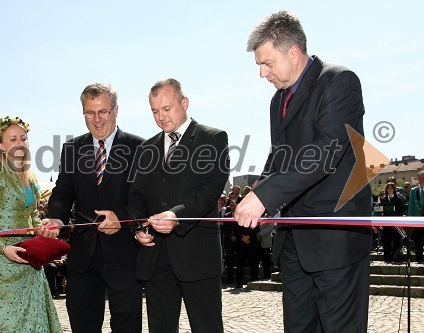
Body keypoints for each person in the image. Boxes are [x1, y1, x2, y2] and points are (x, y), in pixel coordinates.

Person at [235, 11, 372, 332]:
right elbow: (280, 155)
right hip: (294, 242)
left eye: (266, 63)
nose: (261, 73)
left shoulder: (339, 81)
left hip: (335, 240)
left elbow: (326, 151)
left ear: (293, 53)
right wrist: (259, 189)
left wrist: (264, 196)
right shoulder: (277, 100)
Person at [128, 78, 230, 332]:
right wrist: (139, 226)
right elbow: (136, 196)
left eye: (166, 108)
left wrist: (176, 215)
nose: (160, 117)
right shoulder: (146, 148)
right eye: (154, 111)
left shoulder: (213, 138)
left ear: (184, 103)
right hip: (156, 257)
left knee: (207, 327)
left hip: (198, 255)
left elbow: (210, 190)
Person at [44, 83, 144, 332]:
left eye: (103, 112)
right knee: (82, 323)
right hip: (82, 256)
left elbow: (143, 197)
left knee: (126, 325)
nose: (97, 119)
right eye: (90, 112)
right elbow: (63, 192)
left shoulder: (140, 147)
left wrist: (120, 217)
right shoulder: (71, 149)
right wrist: (56, 218)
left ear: (116, 110)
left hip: (124, 254)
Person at [0, 116, 62, 332]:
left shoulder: (31, 178)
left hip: (27, 255)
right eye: (13, 139)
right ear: (1, 146)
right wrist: (2, 247)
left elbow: (33, 215)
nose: (20, 143)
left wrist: (43, 232)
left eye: (23, 138)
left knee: (30, 317)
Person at [380, 183, 404, 262]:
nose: (390, 190)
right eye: (388, 188)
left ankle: (396, 257)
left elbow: (400, 212)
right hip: (386, 224)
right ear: (386, 190)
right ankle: (387, 258)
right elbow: (380, 211)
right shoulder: (383, 200)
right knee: (386, 241)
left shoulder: (398, 200)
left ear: (394, 189)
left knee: (396, 241)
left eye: (391, 188)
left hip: (395, 224)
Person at [409, 170, 424, 262]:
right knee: (418, 240)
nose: (421, 180)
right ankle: (419, 258)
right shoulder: (413, 190)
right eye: (419, 178)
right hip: (417, 220)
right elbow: (411, 206)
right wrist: (410, 220)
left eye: (423, 178)